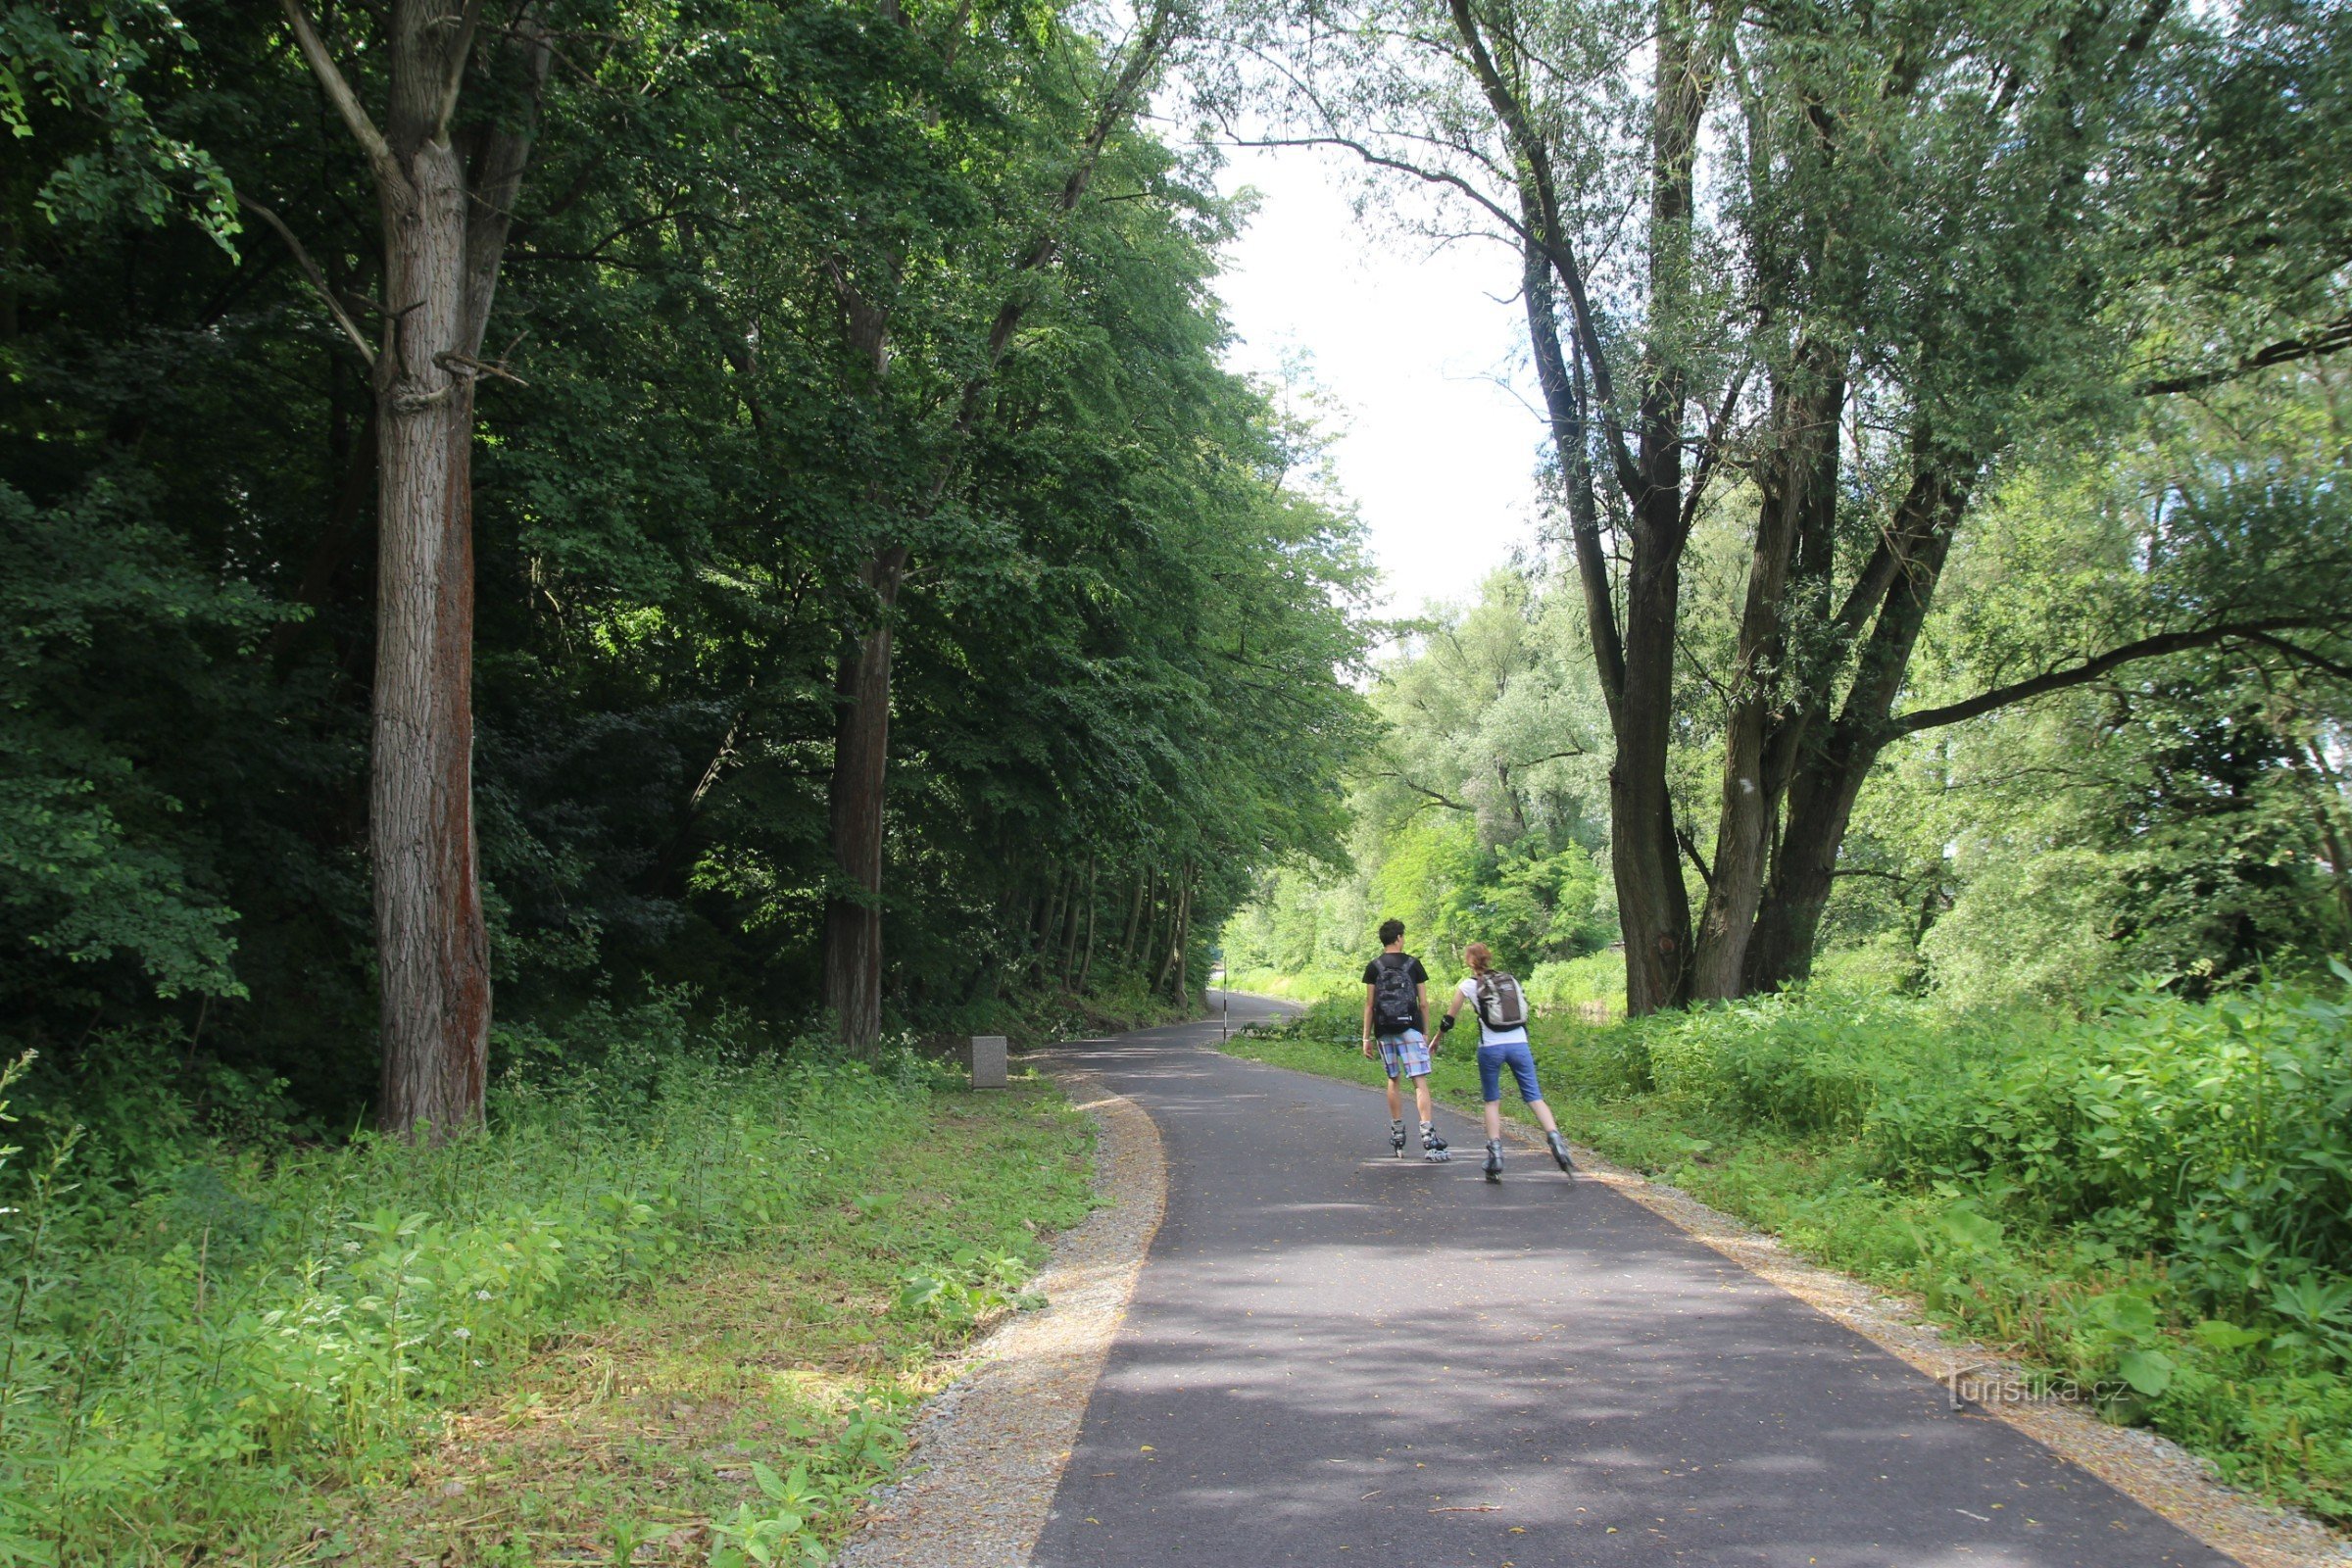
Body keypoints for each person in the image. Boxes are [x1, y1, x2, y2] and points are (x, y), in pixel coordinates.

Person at [1438, 943, 1576, 1183]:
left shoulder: (1468, 985)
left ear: (1469, 961)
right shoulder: (1509, 979)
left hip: (1490, 1048)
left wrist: (1436, 1040)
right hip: (1519, 1044)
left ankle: (1496, 1157)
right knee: (1534, 1096)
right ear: (1488, 959)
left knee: (1492, 1101)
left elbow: (1449, 1019)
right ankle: (1557, 1143)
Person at [1361, 918, 1448, 1161]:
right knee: (1419, 1081)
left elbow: (1369, 1005)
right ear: (1399, 938)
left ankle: (1398, 1133)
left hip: (1384, 1029)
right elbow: (1423, 1003)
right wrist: (1426, 1032)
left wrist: (1365, 1037)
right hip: (1409, 1027)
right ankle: (1428, 1134)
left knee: (1393, 1079)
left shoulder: (1373, 966)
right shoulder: (1413, 964)